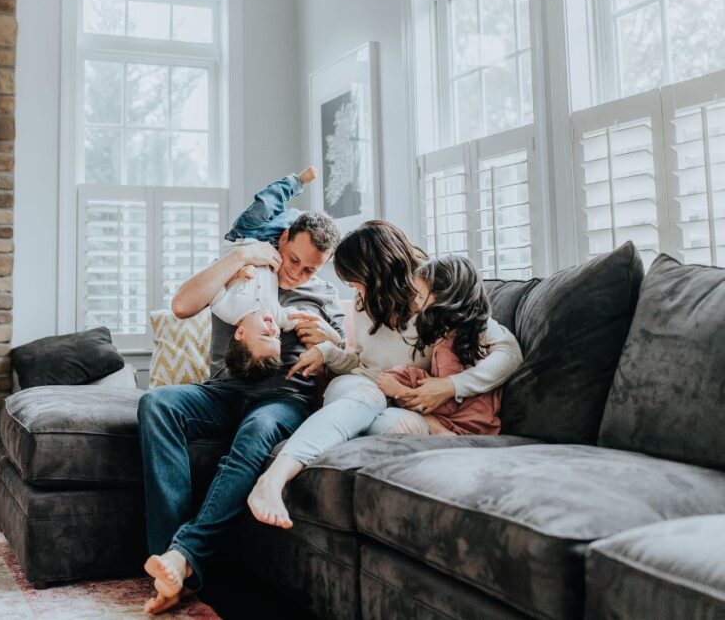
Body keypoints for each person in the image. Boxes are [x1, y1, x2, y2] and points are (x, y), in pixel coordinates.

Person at [247, 221, 522, 529]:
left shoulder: (434, 295)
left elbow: (509, 353)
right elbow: (362, 365)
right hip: (363, 388)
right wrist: (327, 352)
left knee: (392, 425)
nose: (353, 290)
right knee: (367, 396)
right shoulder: (365, 304)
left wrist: (450, 386)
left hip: (401, 406)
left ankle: (316, 445)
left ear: (376, 273)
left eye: (355, 281)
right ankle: (274, 478)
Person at [137, 205, 345, 614]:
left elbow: (347, 360)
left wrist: (329, 340)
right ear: (282, 240)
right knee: (156, 404)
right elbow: (181, 306)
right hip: (223, 391)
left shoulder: (325, 296)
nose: (297, 273)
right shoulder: (243, 269)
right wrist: (238, 258)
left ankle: (184, 554)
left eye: (309, 270)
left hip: (283, 400)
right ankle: (168, 563)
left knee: (256, 431)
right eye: (294, 260)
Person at [375, 255, 503, 436]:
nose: (417, 303)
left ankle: (443, 434)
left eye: (420, 296)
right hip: (483, 421)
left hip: (466, 425)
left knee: (402, 388)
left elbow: (446, 404)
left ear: (444, 298)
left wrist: (399, 391)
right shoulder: (469, 333)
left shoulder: (448, 345)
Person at [214, 167, 319, 380]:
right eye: (277, 338)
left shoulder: (227, 309)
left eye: (265, 334)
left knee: (266, 203)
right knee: (298, 220)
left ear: (240, 333)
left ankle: (296, 181)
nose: (273, 328)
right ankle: (299, 215)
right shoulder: (276, 315)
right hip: (271, 245)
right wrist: (329, 339)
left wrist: (237, 272)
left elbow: (213, 281)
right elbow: (302, 319)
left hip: (243, 237)